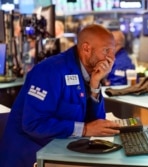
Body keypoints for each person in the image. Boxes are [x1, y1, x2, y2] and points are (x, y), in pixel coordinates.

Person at [0, 24, 120, 167]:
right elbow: (34, 124)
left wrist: (95, 85)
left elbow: (97, 122)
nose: (112, 58)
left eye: (113, 51)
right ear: (86, 48)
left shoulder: (89, 73)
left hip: (61, 150)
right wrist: (85, 129)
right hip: (30, 156)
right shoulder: (50, 71)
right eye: (106, 50)